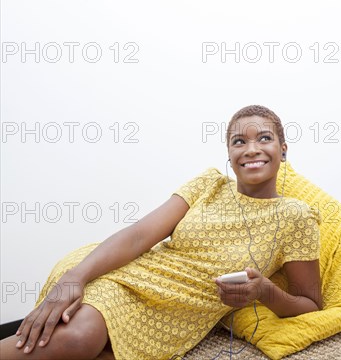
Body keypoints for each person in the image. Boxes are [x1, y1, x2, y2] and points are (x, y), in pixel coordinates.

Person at [0, 105, 322, 360]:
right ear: (230, 155)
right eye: (239, 141)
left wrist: (264, 292)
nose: (251, 149)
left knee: (84, 346)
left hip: (174, 314)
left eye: (264, 138)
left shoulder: (296, 216)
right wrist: (75, 277)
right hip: (128, 276)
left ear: (283, 150)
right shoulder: (209, 183)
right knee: (80, 336)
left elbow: (310, 304)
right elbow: (141, 235)